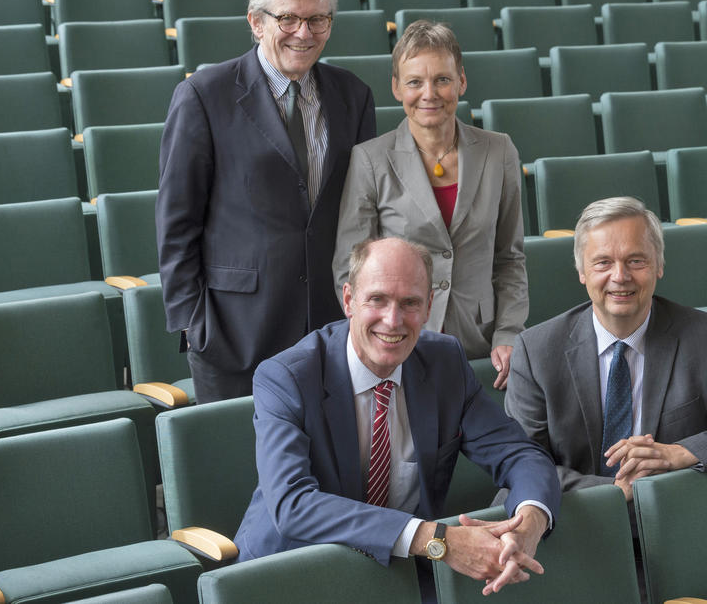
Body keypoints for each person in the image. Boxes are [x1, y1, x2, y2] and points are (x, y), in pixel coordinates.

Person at [234, 237, 560, 597]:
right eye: (377, 299)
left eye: (410, 303)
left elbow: (520, 454)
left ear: (428, 306)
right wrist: (437, 540)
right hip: (294, 575)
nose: (393, 320)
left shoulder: (444, 363)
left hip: (399, 578)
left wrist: (530, 522)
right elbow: (292, 503)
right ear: (348, 300)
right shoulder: (288, 376)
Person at [155, 0, 376, 403]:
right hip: (234, 335)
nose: (304, 32)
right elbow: (176, 222)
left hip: (329, 329)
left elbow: (362, 211)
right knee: (240, 470)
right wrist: (193, 325)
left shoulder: (353, 95)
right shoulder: (204, 95)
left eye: (317, 19)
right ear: (256, 22)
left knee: (325, 469)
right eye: (288, 18)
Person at [505, 197, 707, 502]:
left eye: (636, 260)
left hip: (675, 517)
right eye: (603, 262)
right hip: (577, 523)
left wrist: (680, 452)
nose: (620, 276)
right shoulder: (536, 351)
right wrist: (611, 492)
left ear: (658, 265)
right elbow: (520, 463)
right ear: (582, 271)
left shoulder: (704, 337)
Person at [334, 21, 526, 390]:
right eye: (414, 82)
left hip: (480, 344)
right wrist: (372, 337)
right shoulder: (370, 160)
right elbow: (349, 267)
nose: (429, 93)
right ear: (396, 87)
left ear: (461, 82)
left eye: (442, 79)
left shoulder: (499, 150)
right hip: (397, 342)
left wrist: (509, 332)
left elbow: (510, 258)